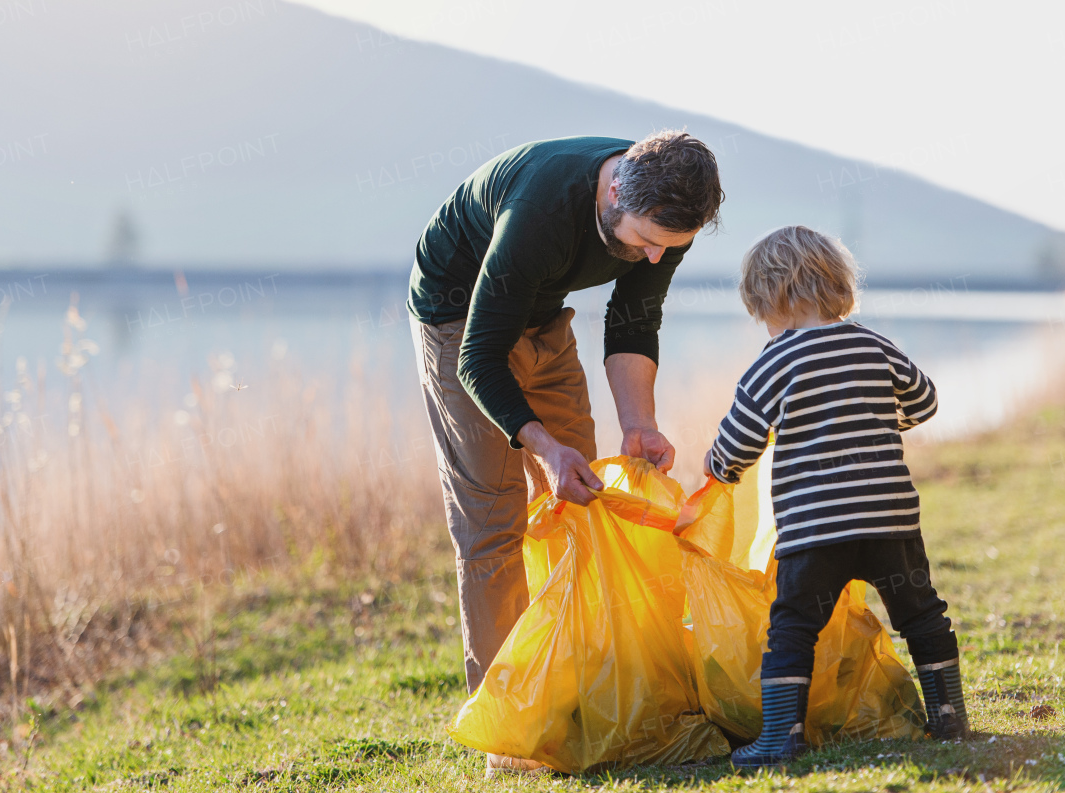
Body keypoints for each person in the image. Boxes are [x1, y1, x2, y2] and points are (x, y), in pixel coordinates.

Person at [407, 132, 724, 775]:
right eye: (646, 241)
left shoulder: (666, 214)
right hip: (456, 318)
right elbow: (478, 358)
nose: (656, 255)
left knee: (580, 502)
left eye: (671, 246)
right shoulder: (543, 209)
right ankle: (509, 728)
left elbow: (635, 321)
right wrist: (544, 447)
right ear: (612, 193)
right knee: (492, 524)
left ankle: (576, 689)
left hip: (540, 312)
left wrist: (639, 424)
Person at [703, 225, 969, 767]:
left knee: (793, 628)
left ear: (768, 298)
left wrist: (718, 470)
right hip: (890, 522)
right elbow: (924, 401)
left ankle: (781, 737)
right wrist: (877, 421)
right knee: (921, 615)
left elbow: (736, 444)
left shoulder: (772, 363)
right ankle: (950, 720)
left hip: (814, 531)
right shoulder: (871, 342)